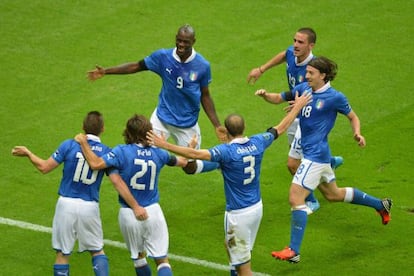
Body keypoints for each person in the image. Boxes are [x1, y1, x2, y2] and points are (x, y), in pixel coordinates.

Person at [146, 92, 312, 276]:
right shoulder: (258, 142)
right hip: (256, 208)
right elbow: (281, 127)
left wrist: (164, 144)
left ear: (226, 131)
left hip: (238, 215)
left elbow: (195, 156)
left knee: (244, 269)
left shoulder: (225, 152)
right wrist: (298, 107)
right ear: (244, 127)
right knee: (234, 249)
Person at [268, 56, 392, 263]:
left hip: (315, 157)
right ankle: (381, 204)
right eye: (306, 72)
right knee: (334, 195)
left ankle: (293, 250)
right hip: (317, 155)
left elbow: (353, 116)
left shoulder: (335, 97)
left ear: (323, 76)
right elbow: (295, 104)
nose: (306, 76)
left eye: (311, 73)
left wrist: (357, 133)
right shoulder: (305, 89)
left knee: (295, 198)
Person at [11, 111, 142, 276]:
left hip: (66, 205)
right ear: (103, 129)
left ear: (82, 127)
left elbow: (44, 167)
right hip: (90, 206)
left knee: (62, 254)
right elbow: (117, 181)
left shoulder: (69, 145)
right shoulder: (107, 152)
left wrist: (29, 154)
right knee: (97, 251)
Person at [74, 114, 190, 276]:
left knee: (138, 259)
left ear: (128, 132)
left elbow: (96, 164)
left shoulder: (121, 152)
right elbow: (182, 162)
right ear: (148, 133)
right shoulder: (159, 154)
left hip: (129, 214)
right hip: (153, 211)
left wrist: (84, 143)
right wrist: (190, 149)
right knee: (162, 260)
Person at [248, 27, 343, 213]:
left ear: (311, 45)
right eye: (295, 41)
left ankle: (311, 199)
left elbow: (321, 97)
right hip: (294, 110)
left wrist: (300, 106)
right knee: (298, 155)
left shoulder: (313, 69)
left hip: (304, 114)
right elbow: (284, 55)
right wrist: (261, 69)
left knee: (293, 163)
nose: (295, 45)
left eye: (300, 42)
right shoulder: (293, 53)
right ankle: (328, 162)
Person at [87, 24, 226, 152]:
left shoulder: (202, 66)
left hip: (187, 123)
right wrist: (106, 71)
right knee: (145, 151)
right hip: (162, 117)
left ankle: (216, 163)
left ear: (193, 42)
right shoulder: (163, 57)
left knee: (190, 166)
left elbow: (205, 95)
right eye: (179, 40)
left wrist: (217, 125)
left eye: (186, 42)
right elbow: (136, 66)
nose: (181, 45)